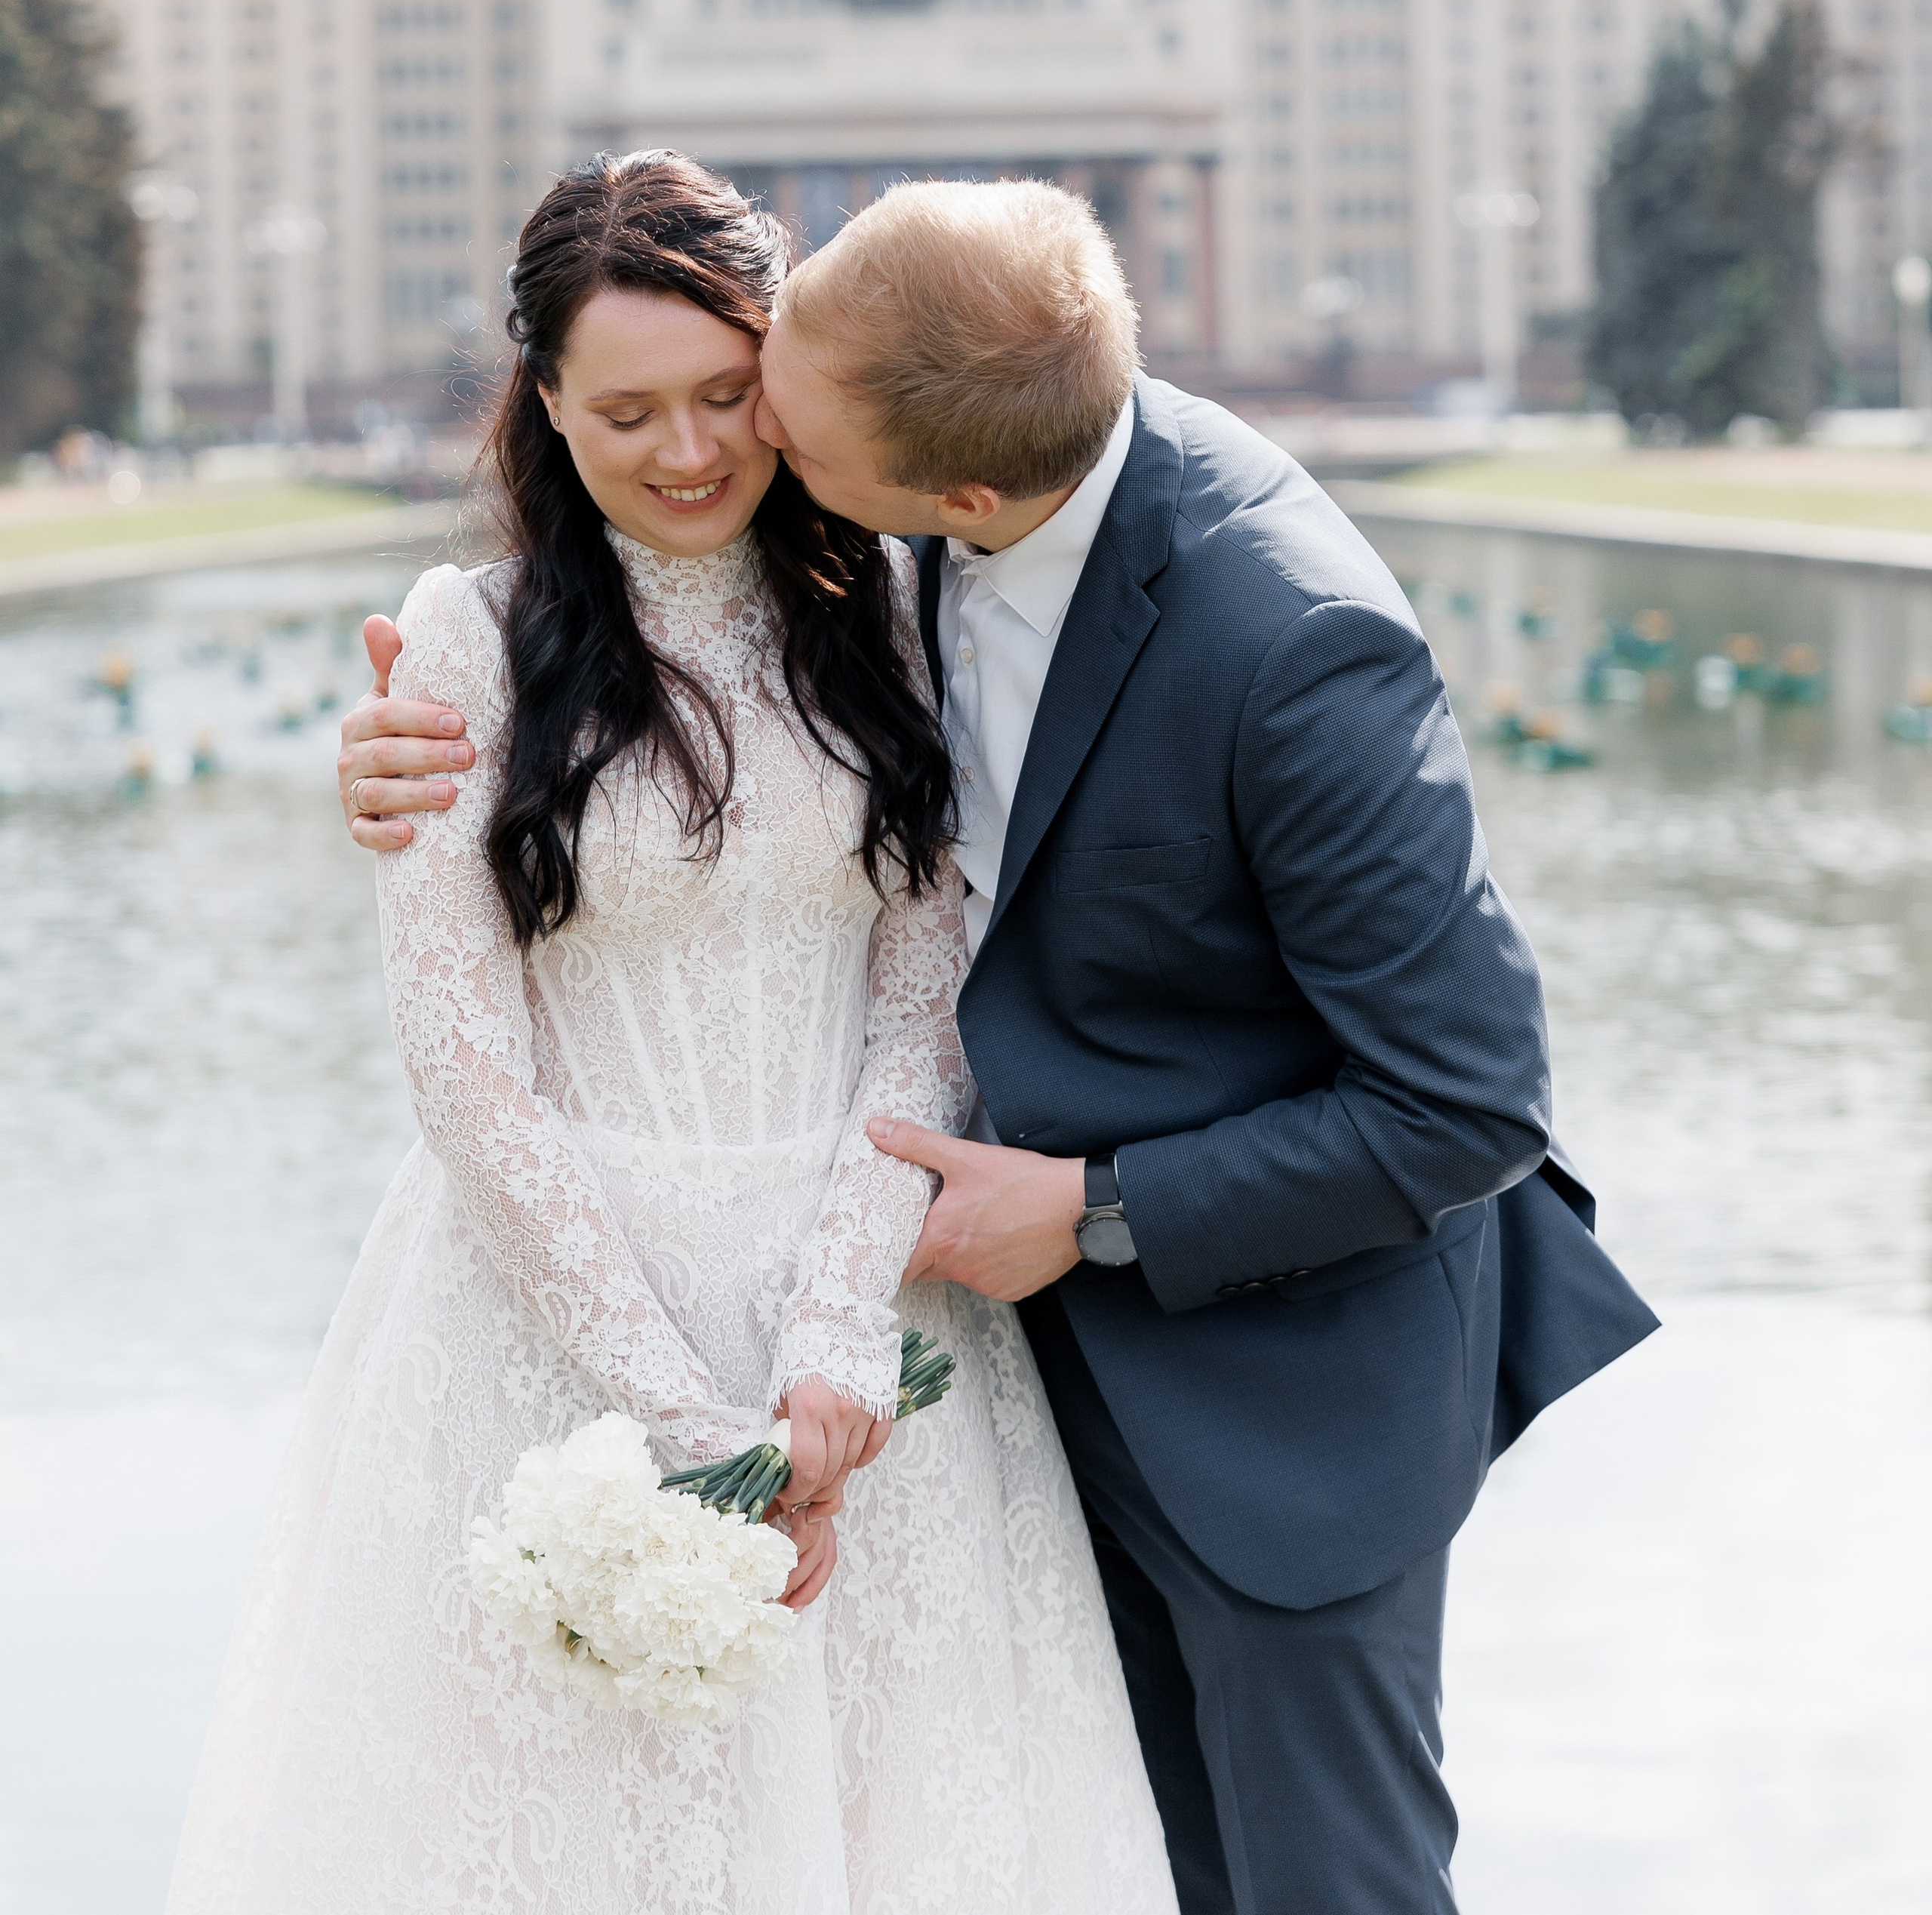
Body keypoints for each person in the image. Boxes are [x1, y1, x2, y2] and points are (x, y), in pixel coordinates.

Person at [340, 171, 1660, 1915]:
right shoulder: (917, 514)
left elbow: (1463, 1099)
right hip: (989, 1380)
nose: (733, 450)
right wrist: (416, 767)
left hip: (1269, 1382)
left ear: (946, 494)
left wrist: (1093, 1211)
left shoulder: (1287, 636)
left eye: (764, 409)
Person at [171, 154, 1180, 1915]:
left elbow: (920, 1004)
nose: (688, 450)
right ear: (546, 400)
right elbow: (463, 1070)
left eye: (723, 393)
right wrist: (675, 1412)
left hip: (860, 1312)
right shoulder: (465, 644)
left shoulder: (897, 612)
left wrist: (830, 1337)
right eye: (626, 410)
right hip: (550, 1323)